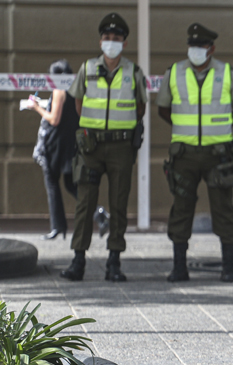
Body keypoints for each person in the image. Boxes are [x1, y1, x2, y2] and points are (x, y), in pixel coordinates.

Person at [157, 23, 233, 282]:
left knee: (223, 209)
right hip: (184, 154)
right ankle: (179, 268)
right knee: (181, 208)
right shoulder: (174, 72)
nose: (195, 50)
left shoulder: (227, 72)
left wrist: (220, 126)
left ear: (211, 49)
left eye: (201, 46)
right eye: (192, 45)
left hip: (217, 153)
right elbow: (162, 108)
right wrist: (182, 126)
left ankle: (228, 268)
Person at [60, 13, 147, 282]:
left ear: (125, 42)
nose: (111, 42)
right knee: (85, 204)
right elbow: (78, 103)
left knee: (119, 204)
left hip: (121, 146)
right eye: (107, 38)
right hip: (91, 146)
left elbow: (140, 106)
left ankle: (114, 262)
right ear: (100, 41)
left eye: (117, 38)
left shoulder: (133, 72)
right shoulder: (87, 69)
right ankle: (78, 261)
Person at [30, 60, 79, 240]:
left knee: (52, 183)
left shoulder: (59, 90)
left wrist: (36, 108)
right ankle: (98, 211)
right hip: (69, 143)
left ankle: (57, 227)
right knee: (70, 183)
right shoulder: (74, 90)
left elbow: (54, 119)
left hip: (55, 144)